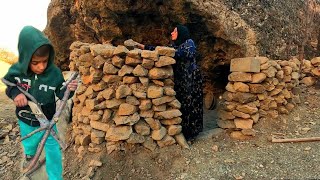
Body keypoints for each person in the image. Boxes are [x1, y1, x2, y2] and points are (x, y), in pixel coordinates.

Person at [3, 26, 78, 180]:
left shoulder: (54, 73)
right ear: (25, 57)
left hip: (49, 119)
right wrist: (15, 93)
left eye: (44, 61)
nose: (41, 67)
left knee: (53, 149)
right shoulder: (17, 71)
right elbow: (9, 86)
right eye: (35, 63)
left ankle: (55, 177)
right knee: (30, 142)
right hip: (26, 119)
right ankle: (30, 156)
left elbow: (61, 93)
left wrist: (69, 89)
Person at [136, 25, 203, 140]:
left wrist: (167, 52)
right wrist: (143, 47)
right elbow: (162, 50)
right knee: (182, 104)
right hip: (181, 80)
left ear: (181, 33)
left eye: (175, 31)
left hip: (191, 80)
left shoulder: (189, 43)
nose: (172, 33)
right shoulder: (175, 45)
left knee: (191, 105)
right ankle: (182, 131)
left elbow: (177, 53)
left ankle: (191, 133)